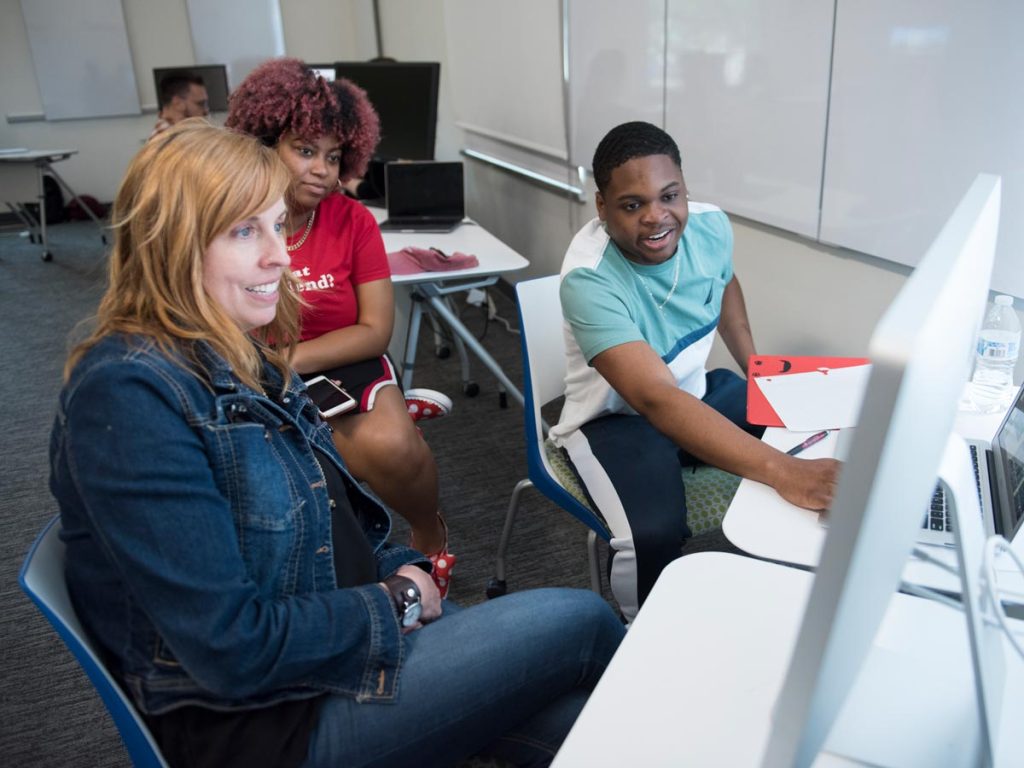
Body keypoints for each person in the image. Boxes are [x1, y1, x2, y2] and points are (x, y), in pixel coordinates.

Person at [51, 121, 625, 768]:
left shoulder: (238, 354)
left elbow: (331, 529)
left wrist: (393, 575)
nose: (280, 256)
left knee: (574, 722)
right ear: (173, 244)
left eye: (277, 226)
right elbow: (230, 648)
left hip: (335, 653)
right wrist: (397, 599)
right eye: (246, 231)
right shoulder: (127, 397)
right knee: (585, 623)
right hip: (276, 727)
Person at [550, 121, 840, 621]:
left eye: (670, 195)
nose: (657, 217)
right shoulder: (588, 280)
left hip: (694, 392)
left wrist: (759, 372)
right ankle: (640, 630)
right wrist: (783, 471)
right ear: (602, 207)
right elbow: (655, 400)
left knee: (810, 415)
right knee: (655, 531)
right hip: (615, 420)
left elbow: (723, 283)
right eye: (632, 204)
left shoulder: (709, 226)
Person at [225, 58, 456, 596]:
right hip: (248, 370)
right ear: (263, 142)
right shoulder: (227, 221)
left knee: (395, 451)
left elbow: (375, 330)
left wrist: (287, 360)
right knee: (298, 476)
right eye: (305, 150)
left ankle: (429, 531)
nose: (323, 169)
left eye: (333, 157)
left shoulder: (352, 220)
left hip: (340, 360)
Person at [150, 73, 209, 139]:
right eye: (200, 104)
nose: (206, 111)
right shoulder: (167, 139)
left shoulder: (179, 132)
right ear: (178, 103)